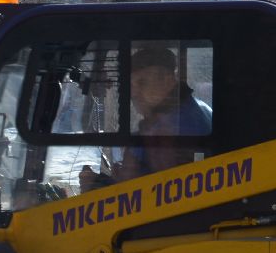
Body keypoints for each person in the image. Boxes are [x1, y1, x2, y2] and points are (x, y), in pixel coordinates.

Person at [80, 45, 211, 190]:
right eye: (131, 86)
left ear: (168, 81)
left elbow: (161, 190)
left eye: (142, 83)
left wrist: (104, 183)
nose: (134, 94)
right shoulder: (193, 109)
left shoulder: (175, 126)